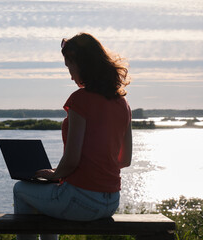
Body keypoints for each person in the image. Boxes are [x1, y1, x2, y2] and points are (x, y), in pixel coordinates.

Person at [13, 32, 132, 240]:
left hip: (81, 201)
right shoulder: (122, 104)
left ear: (83, 64)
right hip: (111, 202)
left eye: (70, 67)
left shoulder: (79, 100)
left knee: (21, 189)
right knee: (48, 195)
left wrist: (54, 174)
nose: (70, 75)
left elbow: (72, 159)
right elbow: (124, 160)